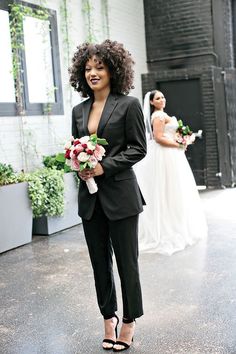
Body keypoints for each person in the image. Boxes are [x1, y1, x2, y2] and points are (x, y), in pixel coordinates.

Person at [69, 39, 146, 351]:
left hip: (122, 196)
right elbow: (76, 148)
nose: (92, 73)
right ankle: (108, 318)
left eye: (99, 67)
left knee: (127, 262)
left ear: (113, 70)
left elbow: (138, 148)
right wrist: (80, 166)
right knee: (99, 263)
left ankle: (129, 321)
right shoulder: (78, 110)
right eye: (87, 68)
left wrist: (103, 167)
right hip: (90, 200)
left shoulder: (128, 105)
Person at [135, 90, 207, 255]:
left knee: (175, 189)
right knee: (167, 188)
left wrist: (183, 139)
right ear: (152, 102)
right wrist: (179, 145)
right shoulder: (158, 117)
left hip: (171, 155)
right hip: (165, 155)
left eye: (163, 97)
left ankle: (176, 223)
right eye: (158, 98)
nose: (162, 99)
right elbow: (159, 137)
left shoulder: (163, 114)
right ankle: (166, 228)